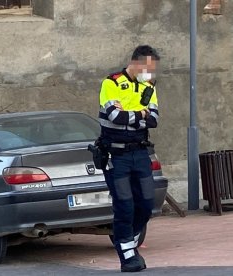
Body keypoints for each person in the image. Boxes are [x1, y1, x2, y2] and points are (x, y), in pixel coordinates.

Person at [97, 45, 160, 272]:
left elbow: (153, 119)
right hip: (117, 155)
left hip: (140, 152)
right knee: (124, 205)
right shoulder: (111, 83)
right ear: (136, 63)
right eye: (149, 67)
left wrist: (133, 116)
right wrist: (140, 114)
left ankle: (127, 243)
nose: (152, 73)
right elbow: (114, 116)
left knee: (146, 204)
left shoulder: (148, 86)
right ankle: (127, 257)